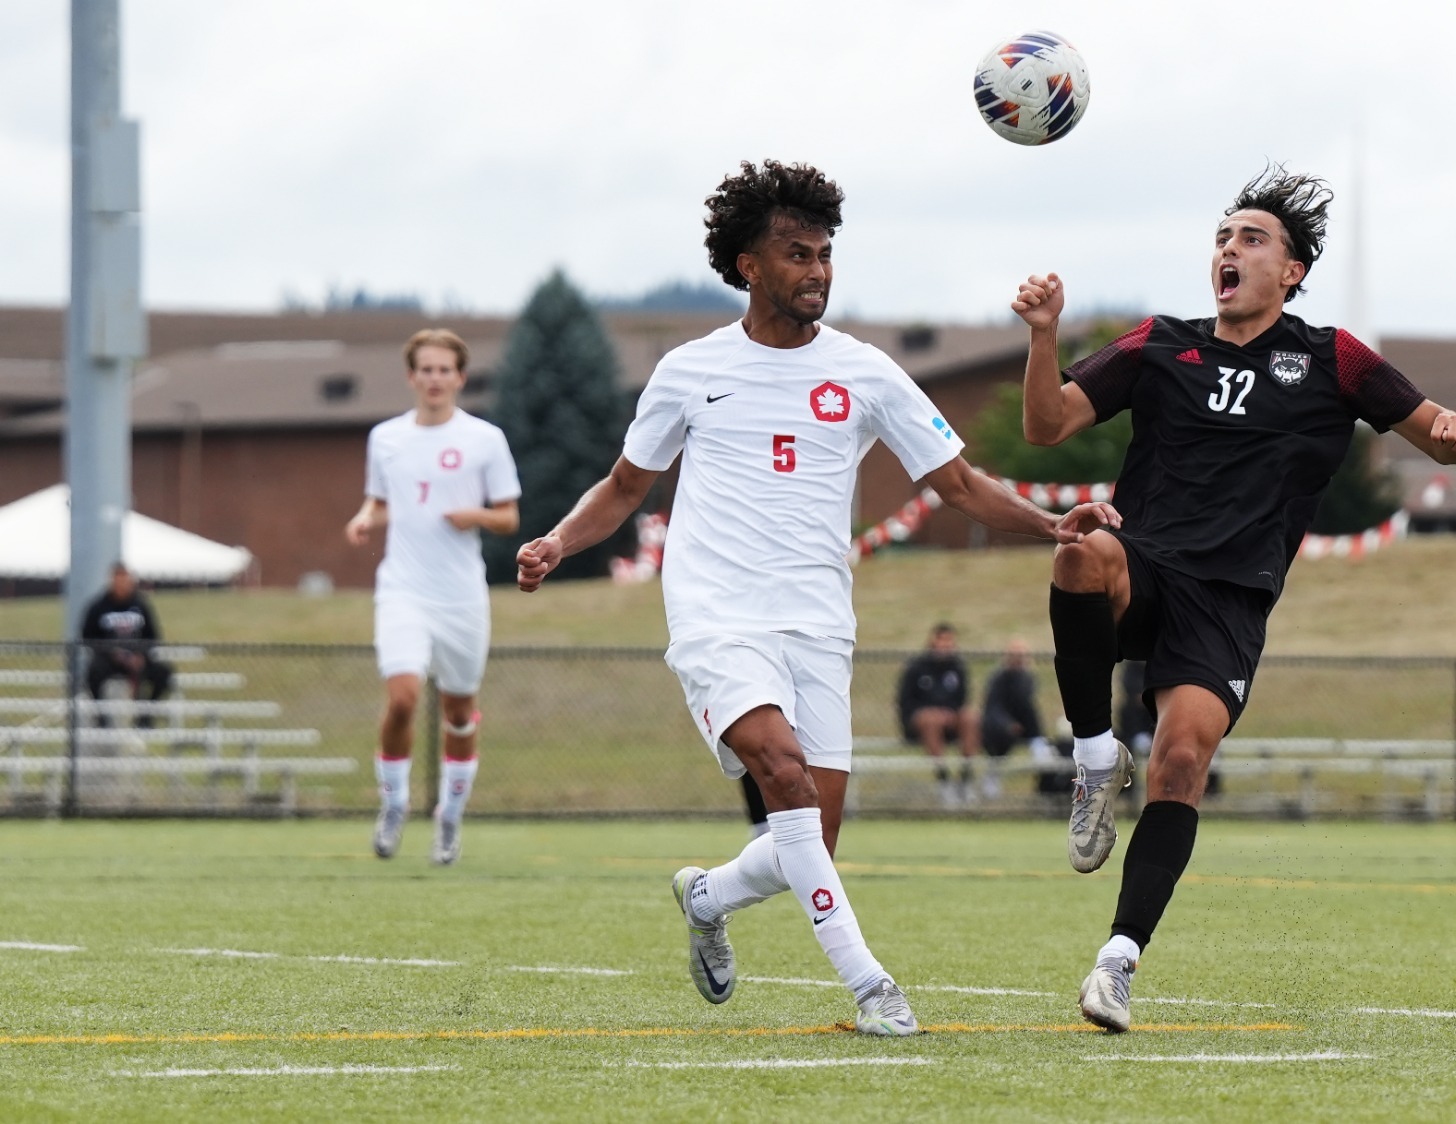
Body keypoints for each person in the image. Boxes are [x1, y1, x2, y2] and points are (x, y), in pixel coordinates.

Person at [513, 160, 1117, 1037]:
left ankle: (708, 897)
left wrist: (1052, 522)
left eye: (826, 253)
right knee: (785, 778)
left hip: (820, 624)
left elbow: (957, 484)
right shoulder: (690, 370)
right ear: (748, 265)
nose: (817, 271)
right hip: (718, 615)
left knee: (812, 841)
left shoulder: (865, 373)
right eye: (797, 254)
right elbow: (621, 486)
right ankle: (874, 988)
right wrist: (558, 541)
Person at [1010, 165, 1456, 1032]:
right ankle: (1089, 755)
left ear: (1291, 271)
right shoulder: (1161, 342)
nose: (1229, 249)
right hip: (1145, 559)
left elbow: (1436, 436)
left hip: (1230, 599)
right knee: (1079, 555)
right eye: (1223, 237)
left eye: (1251, 238)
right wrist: (1045, 335)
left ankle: (1118, 963)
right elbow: (1046, 426)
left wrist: (1451, 433)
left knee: (1182, 765)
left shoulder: (1332, 358)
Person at [345, 328, 521, 866]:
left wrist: (475, 516)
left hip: (461, 595)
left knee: (460, 711)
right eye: (426, 369)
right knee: (401, 696)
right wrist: (364, 517)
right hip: (403, 588)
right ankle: (394, 803)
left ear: (460, 377)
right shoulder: (387, 438)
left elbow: (509, 517)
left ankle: (449, 815)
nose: (436, 378)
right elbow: (378, 501)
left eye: (445, 369)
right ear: (411, 376)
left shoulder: (485, 439)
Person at [80, 563, 175, 726]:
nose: (122, 583)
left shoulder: (140, 604)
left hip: (137, 658)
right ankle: (101, 717)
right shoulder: (99, 606)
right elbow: (88, 636)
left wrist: (142, 655)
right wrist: (112, 653)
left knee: (163, 672)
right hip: (109, 659)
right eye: (118, 579)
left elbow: (153, 636)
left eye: (125, 579)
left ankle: (145, 716)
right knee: (93, 672)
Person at [896, 622, 980, 805]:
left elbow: (963, 699)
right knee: (931, 719)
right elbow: (906, 702)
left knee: (971, 717)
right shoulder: (917, 667)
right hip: (921, 723)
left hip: (950, 721)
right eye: (941, 640)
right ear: (933, 641)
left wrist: (949, 713)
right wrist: (933, 712)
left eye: (949, 641)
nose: (945, 645)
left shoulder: (958, 667)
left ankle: (966, 778)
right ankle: (944, 780)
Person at [979, 637, 1055, 800]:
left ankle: (1038, 743)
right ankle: (994, 772)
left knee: (1029, 709)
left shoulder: (1027, 678)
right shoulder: (998, 678)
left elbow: (1023, 702)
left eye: (1022, 656)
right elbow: (993, 707)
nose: (1019, 660)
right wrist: (1007, 724)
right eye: (1016, 656)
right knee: (1001, 735)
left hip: (1023, 724)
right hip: (998, 726)